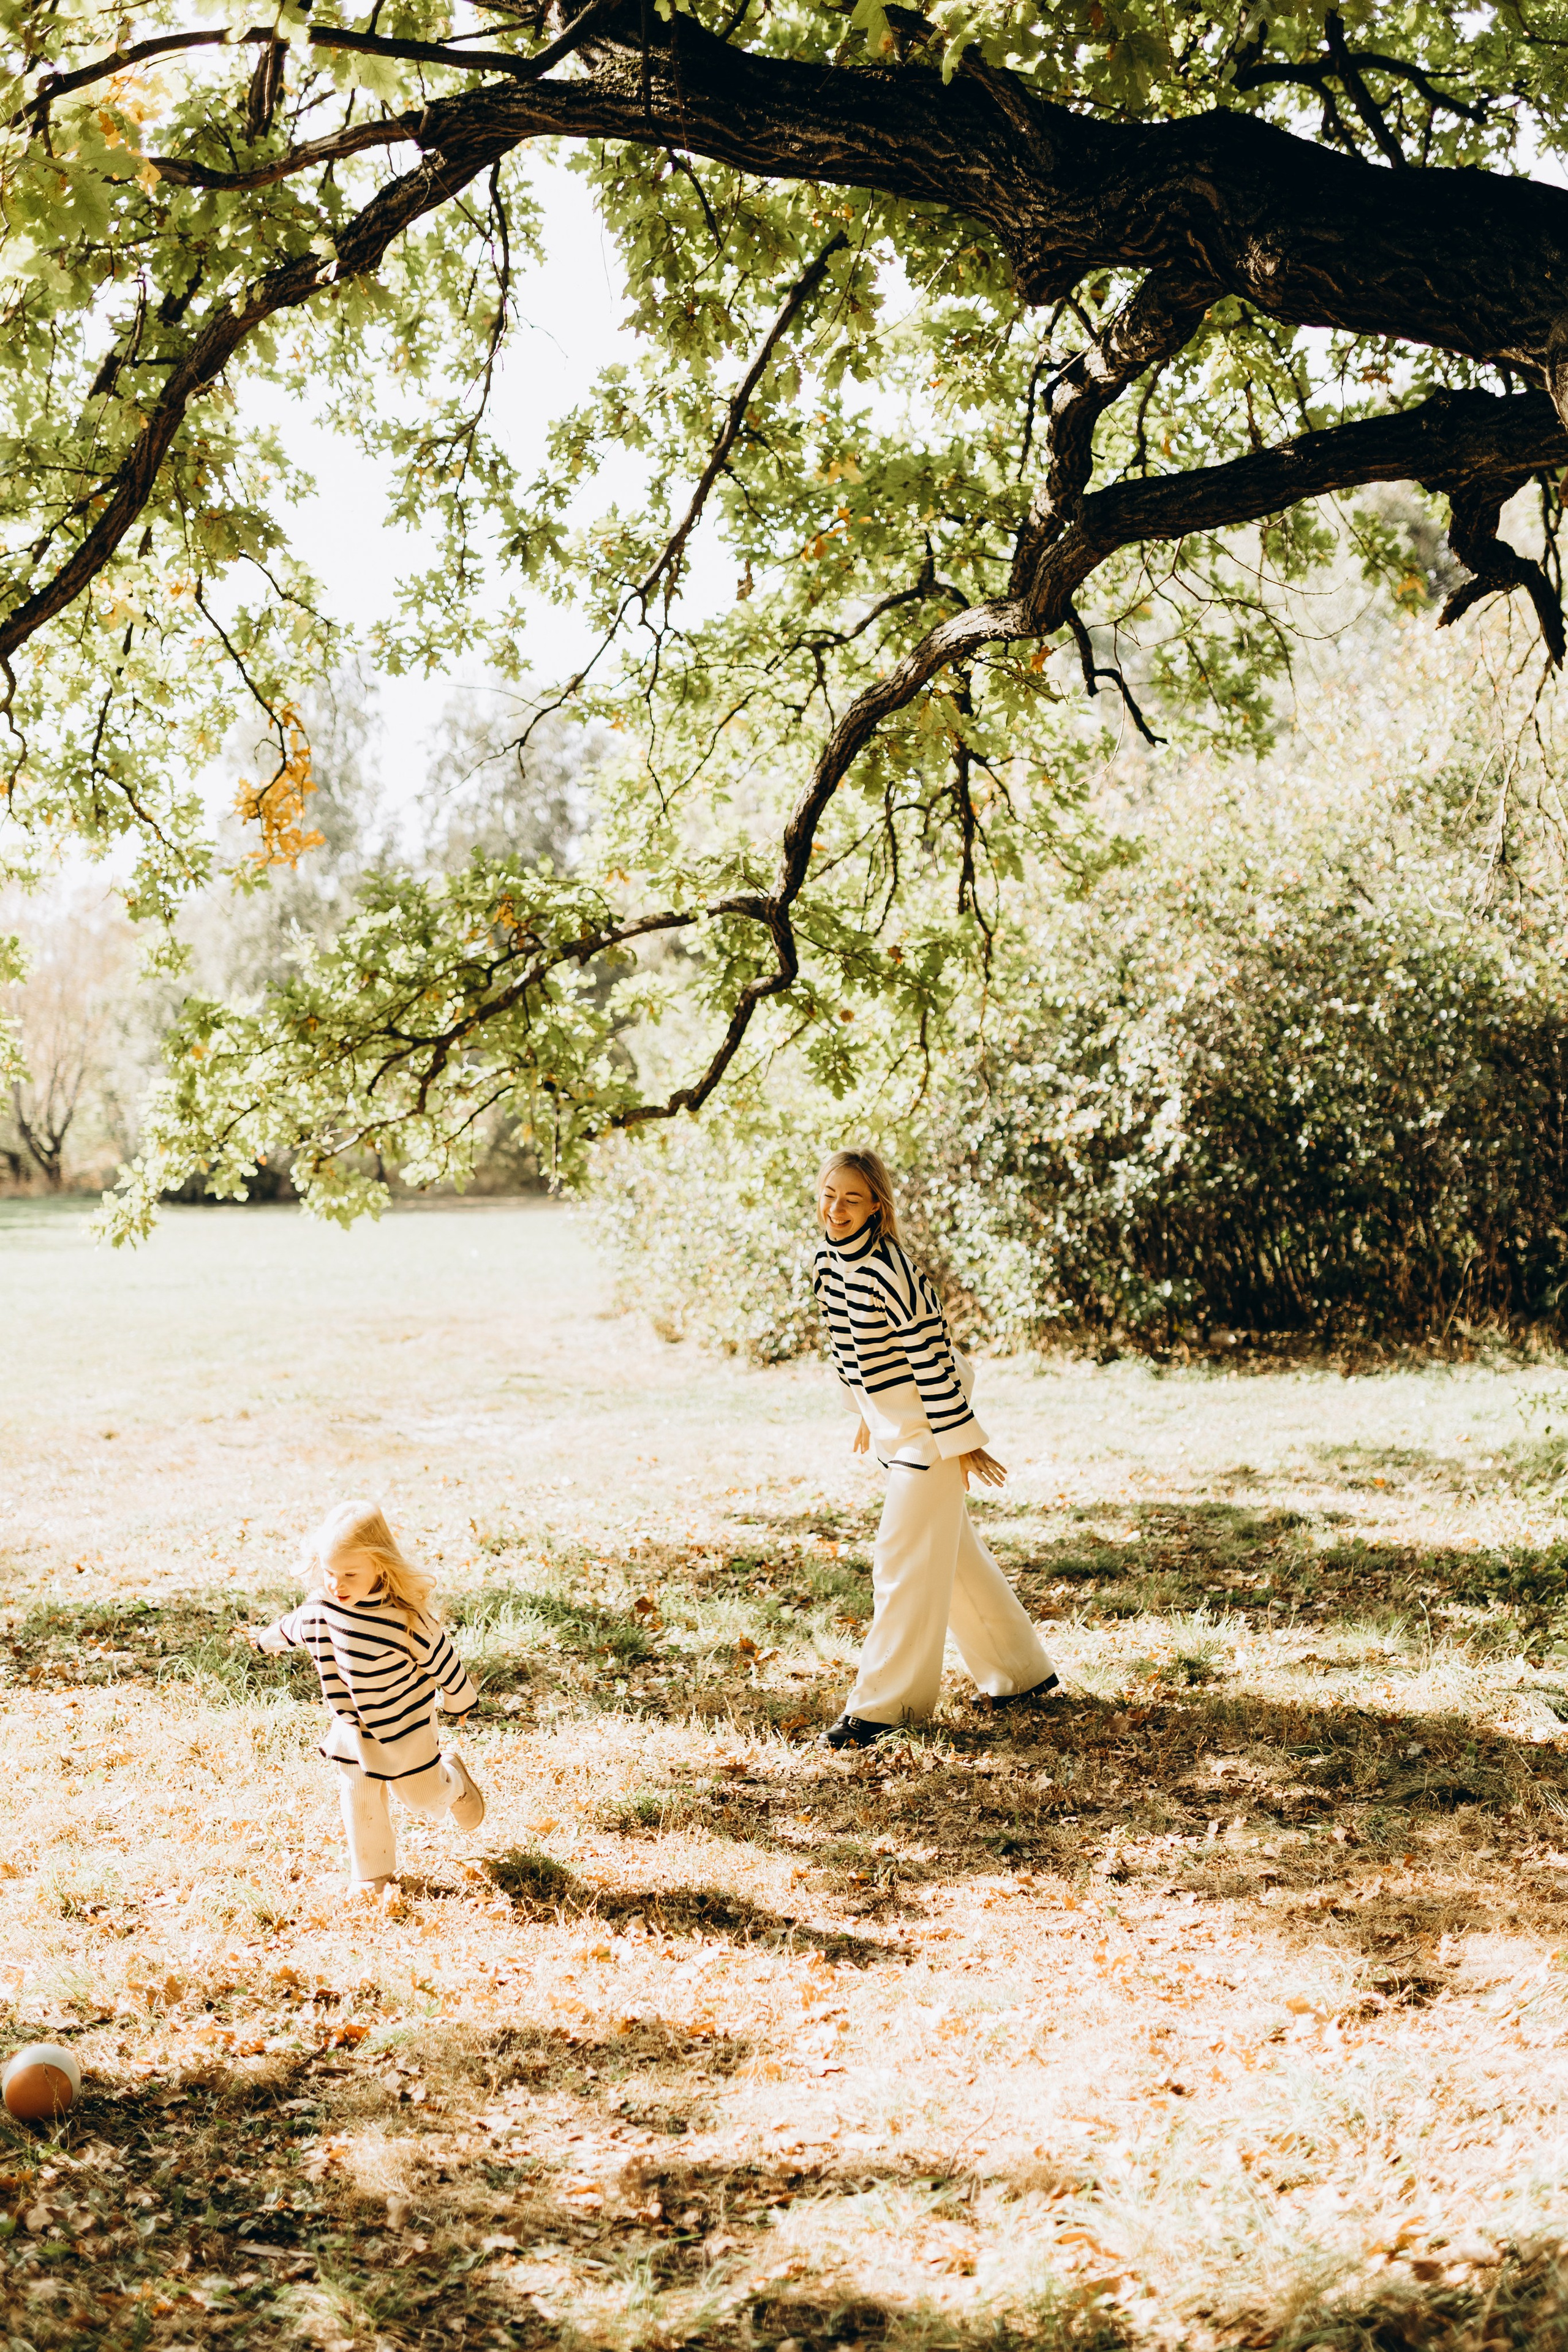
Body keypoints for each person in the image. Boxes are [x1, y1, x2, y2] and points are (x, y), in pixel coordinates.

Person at [812, 1149, 1057, 1748]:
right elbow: (841, 1340)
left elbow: (931, 1355)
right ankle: (1021, 1674)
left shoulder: (894, 1270)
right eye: (827, 1194)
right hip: (894, 1425)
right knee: (954, 1558)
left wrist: (960, 1440)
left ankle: (884, 1707)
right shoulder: (824, 1261)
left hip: (929, 1427)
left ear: (877, 1206)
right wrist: (863, 1410)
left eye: (851, 1198)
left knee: (899, 1560)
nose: (836, 1209)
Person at [239, 1499, 486, 1893]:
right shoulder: (321, 1608)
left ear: (381, 1565)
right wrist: (266, 1641)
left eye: (350, 1574)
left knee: (420, 1797)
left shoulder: (406, 1619)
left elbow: (445, 1661)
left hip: (405, 1725)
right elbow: (292, 1627)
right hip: (353, 1726)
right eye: (330, 1572)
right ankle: (371, 1873)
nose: (337, 1585)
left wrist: (459, 1700)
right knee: (359, 1792)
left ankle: (453, 1781)